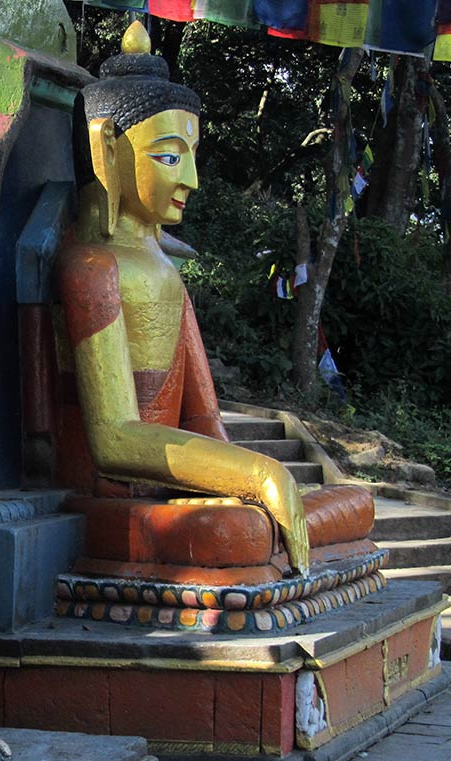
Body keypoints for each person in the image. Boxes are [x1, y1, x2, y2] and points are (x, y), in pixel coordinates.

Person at [52, 21, 376, 593]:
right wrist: (255, 473)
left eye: (192, 156)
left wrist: (245, 479)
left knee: (349, 503)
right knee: (241, 531)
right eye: (172, 157)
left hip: (173, 493)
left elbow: (203, 423)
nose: (195, 180)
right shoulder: (90, 268)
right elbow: (115, 440)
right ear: (107, 148)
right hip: (111, 500)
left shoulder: (165, 274)